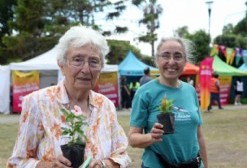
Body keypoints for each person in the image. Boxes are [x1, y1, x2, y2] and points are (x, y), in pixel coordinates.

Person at [7, 25, 131, 168]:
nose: (86, 69)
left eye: (94, 62)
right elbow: (16, 162)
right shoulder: (38, 102)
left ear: (101, 67)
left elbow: (123, 156)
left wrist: (104, 165)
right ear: (61, 64)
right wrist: (48, 166)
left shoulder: (106, 105)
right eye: (77, 60)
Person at [128, 37, 208, 168]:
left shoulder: (190, 91)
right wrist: (150, 137)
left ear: (185, 61)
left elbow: (198, 136)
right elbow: (132, 139)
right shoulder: (144, 93)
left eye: (178, 56)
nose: (171, 62)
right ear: (157, 60)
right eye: (166, 56)